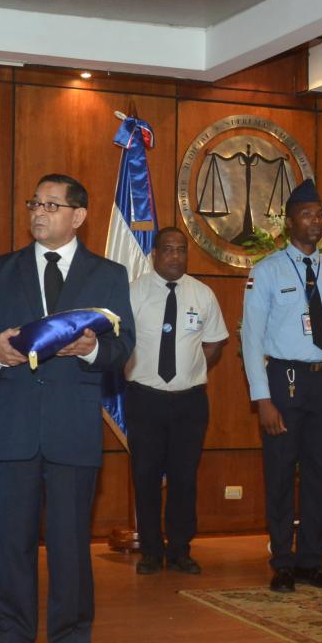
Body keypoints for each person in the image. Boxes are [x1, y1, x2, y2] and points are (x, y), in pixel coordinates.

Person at [0, 174, 134, 643]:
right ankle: (11, 639)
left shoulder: (109, 274)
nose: (39, 212)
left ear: (79, 215)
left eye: (52, 205)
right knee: (9, 539)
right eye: (35, 203)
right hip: (13, 424)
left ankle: (72, 640)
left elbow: (123, 347)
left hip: (72, 426)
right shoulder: (1, 270)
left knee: (69, 540)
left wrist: (95, 349)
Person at [239, 178, 322, 593]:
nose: (316, 222)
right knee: (280, 473)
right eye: (307, 215)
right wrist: (262, 399)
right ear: (289, 223)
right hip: (283, 382)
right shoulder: (267, 272)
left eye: (320, 215)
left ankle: (312, 561)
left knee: (320, 474)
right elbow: (250, 338)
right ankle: (282, 562)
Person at [124, 226, 228, 576]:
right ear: (155, 254)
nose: (175, 256)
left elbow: (214, 345)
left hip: (189, 403)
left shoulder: (203, 294)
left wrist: (190, 370)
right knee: (146, 476)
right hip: (145, 400)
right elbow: (120, 344)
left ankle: (181, 549)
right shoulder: (134, 293)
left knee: (185, 478)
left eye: (181, 250)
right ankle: (151, 551)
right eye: (168, 249)